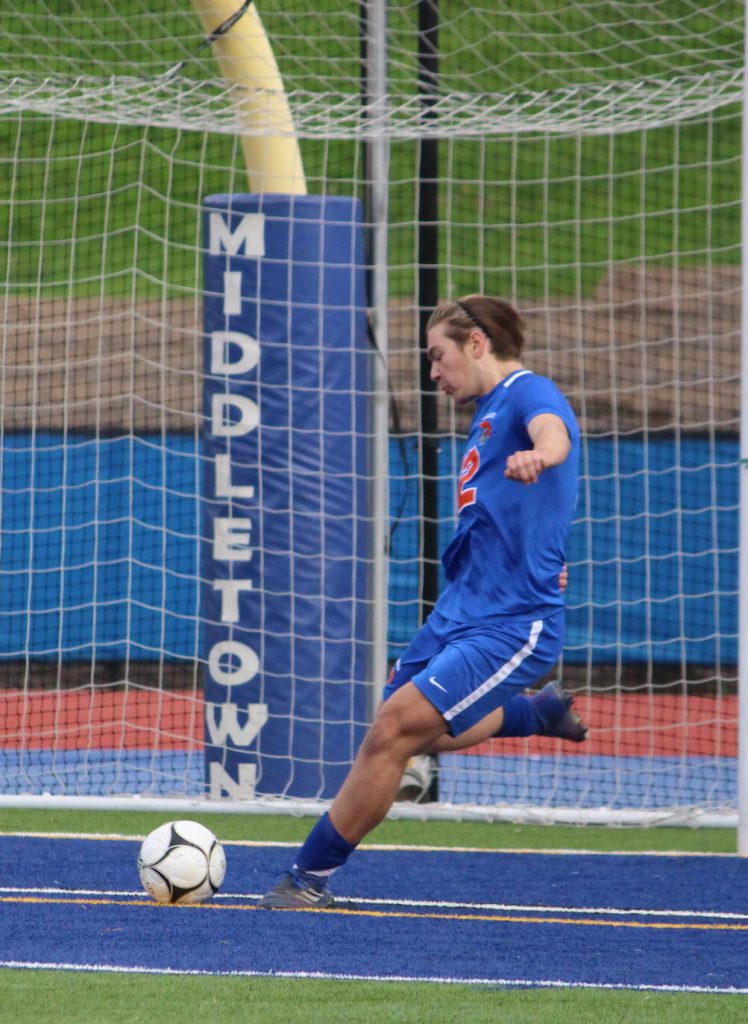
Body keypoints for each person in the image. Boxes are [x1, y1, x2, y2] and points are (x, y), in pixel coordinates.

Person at [259, 294, 586, 910]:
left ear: (478, 344)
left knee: (391, 731)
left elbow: (555, 431)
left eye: (438, 356)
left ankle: (307, 880)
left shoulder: (526, 392)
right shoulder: (487, 411)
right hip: (459, 613)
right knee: (410, 735)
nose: (432, 372)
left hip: (512, 621)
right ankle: (533, 715)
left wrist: (542, 455)